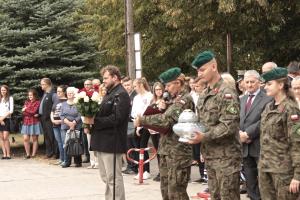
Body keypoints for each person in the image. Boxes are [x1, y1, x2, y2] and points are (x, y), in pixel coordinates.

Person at [134, 67, 194, 200]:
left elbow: (167, 121)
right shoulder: (173, 99)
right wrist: (162, 108)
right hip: (166, 150)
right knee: (166, 190)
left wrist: (142, 120)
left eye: (168, 85)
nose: (166, 89)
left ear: (178, 83)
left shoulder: (185, 99)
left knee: (177, 192)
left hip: (178, 152)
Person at [189, 51, 241, 200]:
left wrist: (204, 136)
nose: (200, 73)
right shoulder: (205, 94)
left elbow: (229, 125)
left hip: (227, 158)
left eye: (202, 69)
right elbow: (202, 123)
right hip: (211, 155)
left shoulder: (226, 92)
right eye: (198, 70)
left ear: (213, 66)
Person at [259, 67, 300, 199]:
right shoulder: (268, 107)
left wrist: (297, 175)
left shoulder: (290, 109)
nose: (265, 87)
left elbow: (296, 143)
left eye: (269, 84)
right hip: (266, 169)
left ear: (281, 85)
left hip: (284, 172)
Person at [90, 65, 130, 200]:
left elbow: (117, 118)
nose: (104, 81)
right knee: (106, 177)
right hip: (102, 141)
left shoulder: (121, 94)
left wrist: (95, 122)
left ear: (115, 77)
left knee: (113, 178)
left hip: (112, 142)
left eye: (106, 78)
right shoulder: (109, 93)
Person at [239, 70, 272, 200]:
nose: (249, 85)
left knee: (265, 184)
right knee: (250, 183)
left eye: (252, 82)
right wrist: (240, 134)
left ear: (259, 82)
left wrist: (248, 134)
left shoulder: (268, 98)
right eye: (247, 82)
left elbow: (264, 120)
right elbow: (236, 119)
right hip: (245, 148)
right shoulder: (242, 99)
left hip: (259, 146)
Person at [131, 77, 153, 180]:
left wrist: (141, 122)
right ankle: (141, 169)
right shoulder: (136, 98)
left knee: (143, 146)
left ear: (141, 85)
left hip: (146, 124)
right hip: (137, 123)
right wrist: (137, 122)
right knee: (137, 146)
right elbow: (134, 111)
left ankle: (146, 170)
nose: (134, 88)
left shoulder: (149, 96)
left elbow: (148, 111)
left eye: (135, 86)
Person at [60, 87, 82, 168]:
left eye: (71, 93)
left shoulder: (78, 103)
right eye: (68, 93)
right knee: (66, 143)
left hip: (76, 126)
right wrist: (68, 123)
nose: (69, 94)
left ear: (74, 94)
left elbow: (80, 114)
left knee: (76, 142)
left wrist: (74, 122)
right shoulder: (63, 104)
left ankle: (78, 161)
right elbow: (61, 115)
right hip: (65, 126)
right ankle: (67, 161)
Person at [121, 76, 138, 175]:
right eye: (125, 85)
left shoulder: (134, 96)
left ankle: (133, 166)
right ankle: (130, 165)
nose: (127, 87)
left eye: (128, 85)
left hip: (131, 122)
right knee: (127, 144)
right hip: (125, 122)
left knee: (131, 144)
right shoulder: (124, 95)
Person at [149, 81, 165, 182]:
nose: (158, 91)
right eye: (156, 90)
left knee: (161, 150)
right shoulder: (152, 101)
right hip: (153, 128)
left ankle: (163, 172)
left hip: (161, 128)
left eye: (160, 89)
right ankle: (160, 171)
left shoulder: (165, 100)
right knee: (157, 150)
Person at [39, 78, 58, 158]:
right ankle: (49, 153)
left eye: (43, 84)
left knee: (52, 136)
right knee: (46, 136)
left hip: (50, 119)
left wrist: (51, 116)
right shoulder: (45, 93)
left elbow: (55, 107)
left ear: (47, 84)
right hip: (43, 118)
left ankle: (56, 153)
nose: (41, 86)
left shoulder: (53, 94)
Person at [21, 88, 43, 159]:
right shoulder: (26, 102)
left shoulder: (37, 102)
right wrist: (28, 111)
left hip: (34, 122)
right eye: (29, 95)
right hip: (26, 122)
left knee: (34, 139)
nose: (30, 96)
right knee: (25, 139)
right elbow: (23, 113)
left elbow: (34, 111)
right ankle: (28, 154)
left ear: (35, 95)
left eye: (31, 95)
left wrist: (26, 109)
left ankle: (33, 154)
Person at [50, 85, 67, 165]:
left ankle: (65, 160)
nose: (58, 93)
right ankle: (61, 158)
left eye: (60, 91)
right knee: (59, 142)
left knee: (64, 142)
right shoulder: (56, 100)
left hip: (63, 124)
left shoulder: (66, 101)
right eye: (57, 91)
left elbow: (67, 114)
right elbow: (52, 111)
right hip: (55, 124)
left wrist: (60, 121)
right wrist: (53, 120)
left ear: (64, 92)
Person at [0, 85, 14, 159]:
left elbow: (11, 111)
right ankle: (4, 154)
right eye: (2, 90)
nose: (3, 91)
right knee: (1, 138)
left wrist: (2, 119)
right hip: (0, 119)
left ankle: (8, 154)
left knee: (5, 137)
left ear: (7, 91)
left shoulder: (10, 98)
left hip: (6, 119)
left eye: (4, 90)